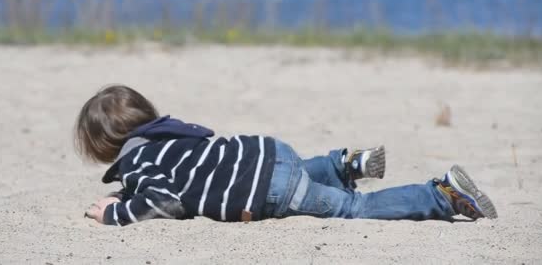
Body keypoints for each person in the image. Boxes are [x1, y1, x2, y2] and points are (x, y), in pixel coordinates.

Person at [77, 85, 497, 226]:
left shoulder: (138, 163)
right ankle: (341, 165)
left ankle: (441, 194)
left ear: (105, 148)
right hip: (271, 152)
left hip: (270, 191)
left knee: (354, 208)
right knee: (300, 174)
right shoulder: (170, 138)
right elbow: (184, 179)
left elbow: (161, 200)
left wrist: (115, 214)